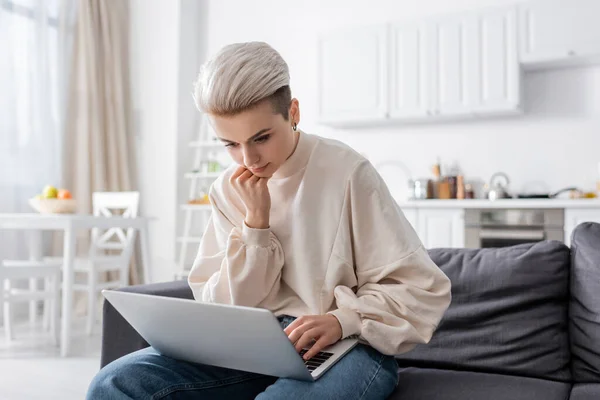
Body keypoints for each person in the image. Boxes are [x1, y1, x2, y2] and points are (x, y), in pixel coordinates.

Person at [87, 41, 452, 400]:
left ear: (293, 112)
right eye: (230, 144)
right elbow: (224, 307)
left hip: (346, 347)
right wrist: (256, 227)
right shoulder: (227, 190)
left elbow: (420, 287)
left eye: (261, 137)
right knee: (112, 384)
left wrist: (343, 319)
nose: (249, 159)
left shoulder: (347, 172)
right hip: (248, 350)